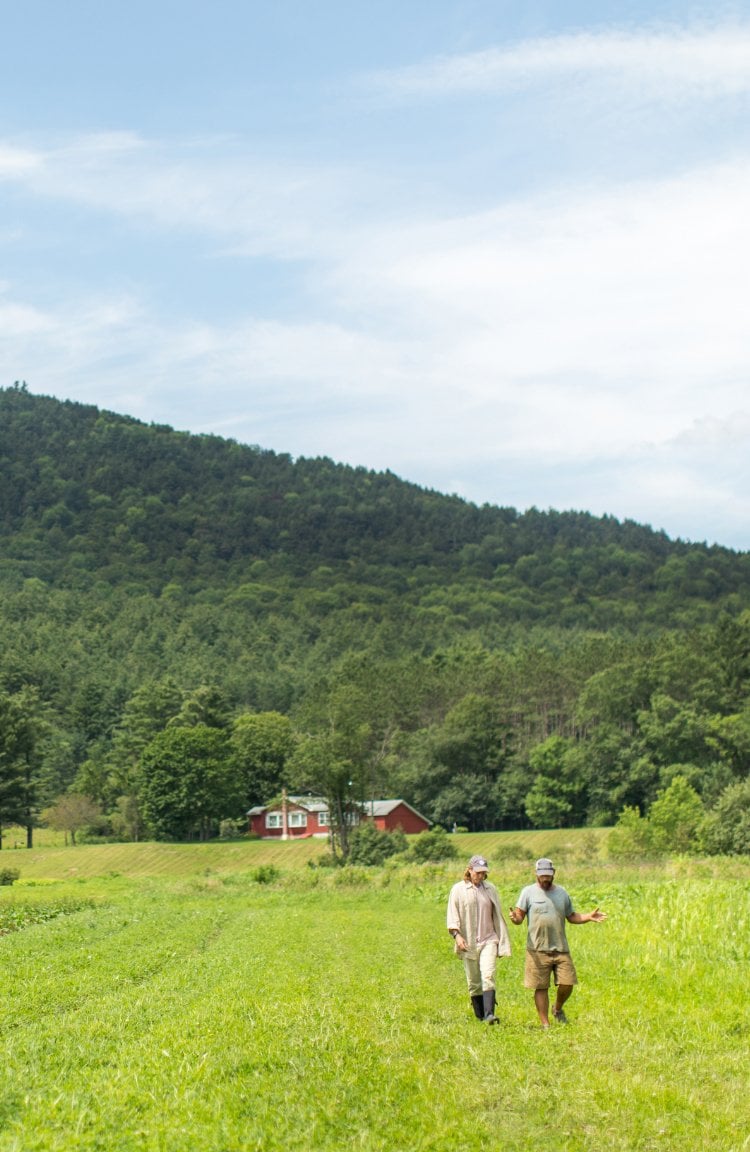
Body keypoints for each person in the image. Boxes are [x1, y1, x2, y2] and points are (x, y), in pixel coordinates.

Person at [509, 857, 606, 1029]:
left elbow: (571, 916)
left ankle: (558, 1008)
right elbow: (519, 916)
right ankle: (545, 1024)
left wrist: (588, 917)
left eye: (548, 875)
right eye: (542, 875)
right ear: (536, 874)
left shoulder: (562, 893)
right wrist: (515, 919)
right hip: (537, 949)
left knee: (568, 983)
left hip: (560, 948)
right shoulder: (528, 892)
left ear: (554, 873)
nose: (545, 878)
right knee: (541, 987)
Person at [446, 854, 511, 1024]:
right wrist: (457, 935)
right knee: (474, 982)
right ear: (469, 870)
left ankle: (490, 1014)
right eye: (478, 872)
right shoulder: (458, 890)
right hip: (468, 942)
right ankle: (481, 1016)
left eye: (483, 873)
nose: (480, 876)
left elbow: (496, 914)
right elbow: (452, 915)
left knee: (488, 975)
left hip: (489, 939)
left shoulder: (491, 889)